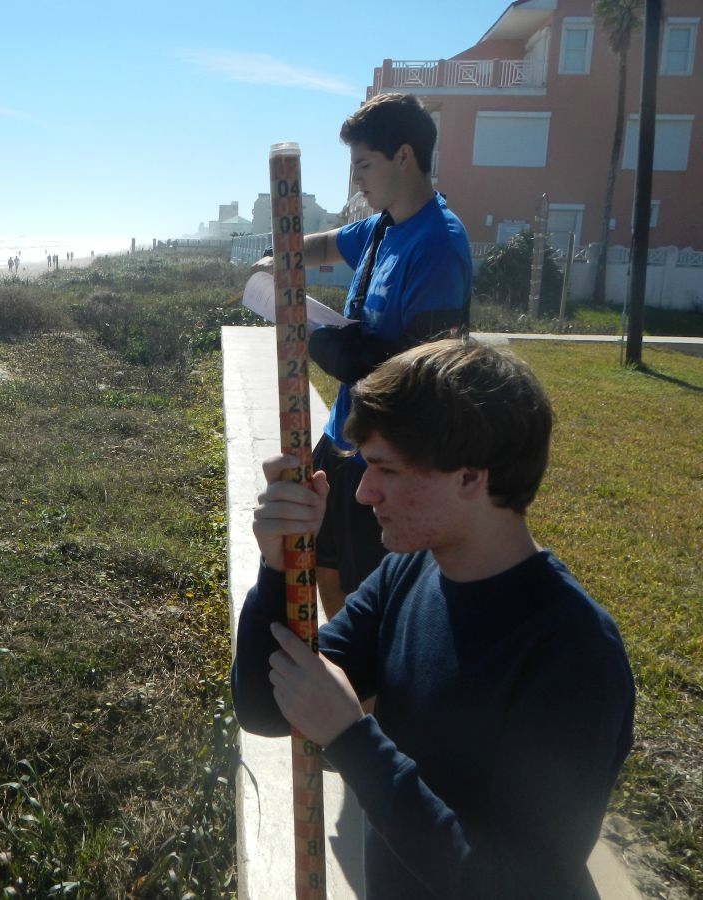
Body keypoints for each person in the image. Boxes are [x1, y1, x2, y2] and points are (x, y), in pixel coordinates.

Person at [231, 339, 634, 899]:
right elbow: (265, 708)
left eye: (385, 469)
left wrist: (352, 738)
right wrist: (278, 569)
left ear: (471, 477)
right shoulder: (408, 576)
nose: (365, 492)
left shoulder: (574, 652)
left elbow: (517, 883)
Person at [258, 92, 472, 621]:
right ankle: (346, 673)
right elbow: (326, 244)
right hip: (343, 434)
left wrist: (345, 352)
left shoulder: (438, 243)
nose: (355, 179)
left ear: (404, 156)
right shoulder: (383, 226)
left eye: (363, 164)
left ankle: (366, 695)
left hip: (386, 451)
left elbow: (428, 367)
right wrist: (277, 256)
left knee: (368, 591)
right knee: (323, 565)